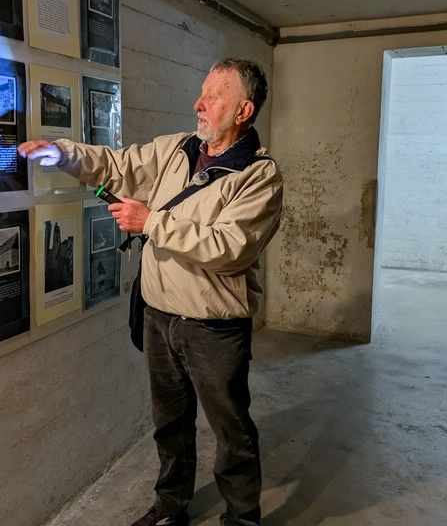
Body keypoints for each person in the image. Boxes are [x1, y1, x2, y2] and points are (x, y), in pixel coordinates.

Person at [18, 58, 283, 526]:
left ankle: (242, 519)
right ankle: (170, 506)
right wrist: (62, 152)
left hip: (213, 328)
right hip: (159, 317)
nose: (198, 104)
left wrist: (151, 222)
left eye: (213, 97)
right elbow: (116, 165)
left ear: (243, 111)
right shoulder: (176, 149)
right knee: (170, 423)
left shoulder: (258, 176)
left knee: (231, 431)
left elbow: (230, 249)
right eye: (202, 92)